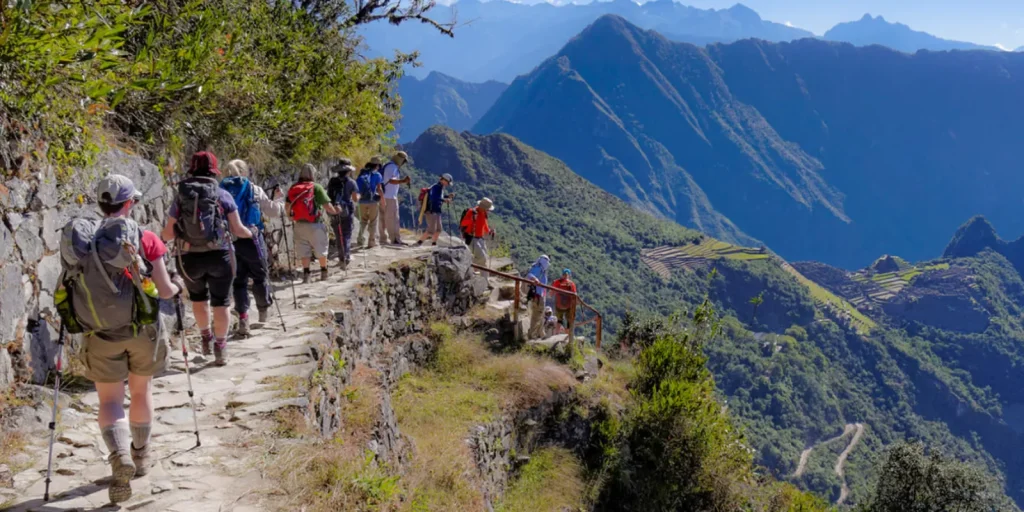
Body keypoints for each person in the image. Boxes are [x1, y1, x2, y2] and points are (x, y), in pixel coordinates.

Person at [62, 174, 184, 503]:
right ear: (130, 203)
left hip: (100, 331)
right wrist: (177, 286)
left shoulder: (82, 243)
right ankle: (141, 455)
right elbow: (163, 290)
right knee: (141, 390)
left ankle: (119, 457)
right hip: (142, 329)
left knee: (109, 400)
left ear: (101, 205)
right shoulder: (145, 239)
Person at [162, 151, 254, 366]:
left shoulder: (181, 196)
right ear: (214, 170)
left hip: (188, 258)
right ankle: (221, 347)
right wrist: (252, 233)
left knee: (198, 299)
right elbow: (238, 229)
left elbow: (168, 233)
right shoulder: (222, 195)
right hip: (220, 256)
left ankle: (206, 338)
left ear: (192, 169)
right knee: (221, 303)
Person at [221, 159, 284, 336]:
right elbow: (273, 211)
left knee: (238, 280)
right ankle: (263, 314)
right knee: (260, 275)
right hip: (252, 238)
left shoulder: (221, 191)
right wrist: (279, 199)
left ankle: (243, 318)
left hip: (230, 240)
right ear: (245, 171)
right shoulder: (254, 189)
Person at [287, 163, 340, 283]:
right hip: (315, 224)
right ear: (313, 174)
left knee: (304, 250)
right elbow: (327, 206)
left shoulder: (293, 188)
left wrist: (290, 217)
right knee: (321, 248)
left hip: (299, 224)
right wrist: (336, 212)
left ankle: (306, 275)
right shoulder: (316, 187)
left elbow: (287, 206)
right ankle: (324, 272)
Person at [330, 162, 360, 269]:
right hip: (347, 211)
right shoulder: (351, 182)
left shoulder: (332, 181)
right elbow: (355, 198)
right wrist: (358, 197)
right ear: (348, 171)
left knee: (338, 234)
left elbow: (329, 196)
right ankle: (346, 256)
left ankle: (341, 257)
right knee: (346, 234)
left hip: (334, 210)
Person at [379, 151, 412, 245]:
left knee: (383, 218)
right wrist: (403, 181)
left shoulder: (387, 165)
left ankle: (383, 239)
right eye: (404, 161)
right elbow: (391, 180)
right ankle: (395, 239)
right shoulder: (392, 167)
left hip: (383, 195)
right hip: (390, 197)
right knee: (393, 218)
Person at [415, 173, 454, 246]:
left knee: (439, 229)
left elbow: (438, 196)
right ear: (444, 180)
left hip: (437, 210)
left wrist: (447, 196)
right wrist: (444, 200)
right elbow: (434, 198)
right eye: (448, 182)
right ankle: (419, 243)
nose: (448, 184)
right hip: (431, 210)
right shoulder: (436, 187)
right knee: (431, 230)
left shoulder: (440, 187)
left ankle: (433, 244)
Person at [356, 156, 384, 248]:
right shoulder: (377, 175)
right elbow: (379, 189)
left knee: (363, 221)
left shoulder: (362, 173)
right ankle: (371, 242)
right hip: (373, 201)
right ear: (377, 165)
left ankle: (360, 239)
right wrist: (383, 200)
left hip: (362, 201)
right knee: (373, 221)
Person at [460, 197, 495, 266]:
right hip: (472, 237)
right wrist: (472, 219)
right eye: (487, 209)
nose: (488, 210)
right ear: (483, 207)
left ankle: (483, 276)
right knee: (482, 258)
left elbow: (484, 224)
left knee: (485, 258)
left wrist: (489, 231)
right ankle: (467, 264)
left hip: (480, 238)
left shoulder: (484, 213)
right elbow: (463, 223)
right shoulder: (472, 212)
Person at [524, 254, 551, 339]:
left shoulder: (541, 269)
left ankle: (540, 333)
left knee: (540, 315)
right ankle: (532, 335)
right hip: (537, 296)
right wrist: (535, 279)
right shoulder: (538, 268)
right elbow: (530, 275)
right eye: (546, 261)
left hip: (540, 295)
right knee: (536, 315)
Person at [552, 268, 578, 335]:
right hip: (568, 306)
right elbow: (574, 295)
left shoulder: (557, 282)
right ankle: (567, 335)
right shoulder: (572, 284)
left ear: (562, 274)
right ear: (569, 275)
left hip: (559, 305)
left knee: (559, 320)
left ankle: (556, 333)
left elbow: (552, 293)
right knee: (569, 321)